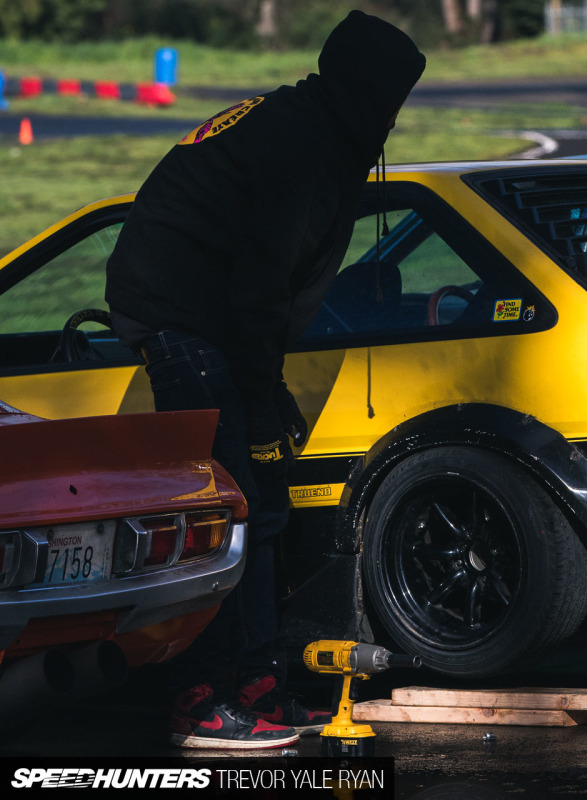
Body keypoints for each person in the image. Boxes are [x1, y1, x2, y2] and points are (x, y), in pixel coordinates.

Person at [105, 10, 425, 750]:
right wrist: (259, 402)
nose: (394, 120)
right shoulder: (300, 146)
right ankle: (203, 699)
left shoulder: (311, 125)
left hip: (212, 320)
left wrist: (268, 399)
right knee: (229, 510)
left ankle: (256, 683)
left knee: (264, 508)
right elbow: (258, 289)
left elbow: (269, 292)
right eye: (391, 102)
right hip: (186, 321)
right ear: (365, 91)